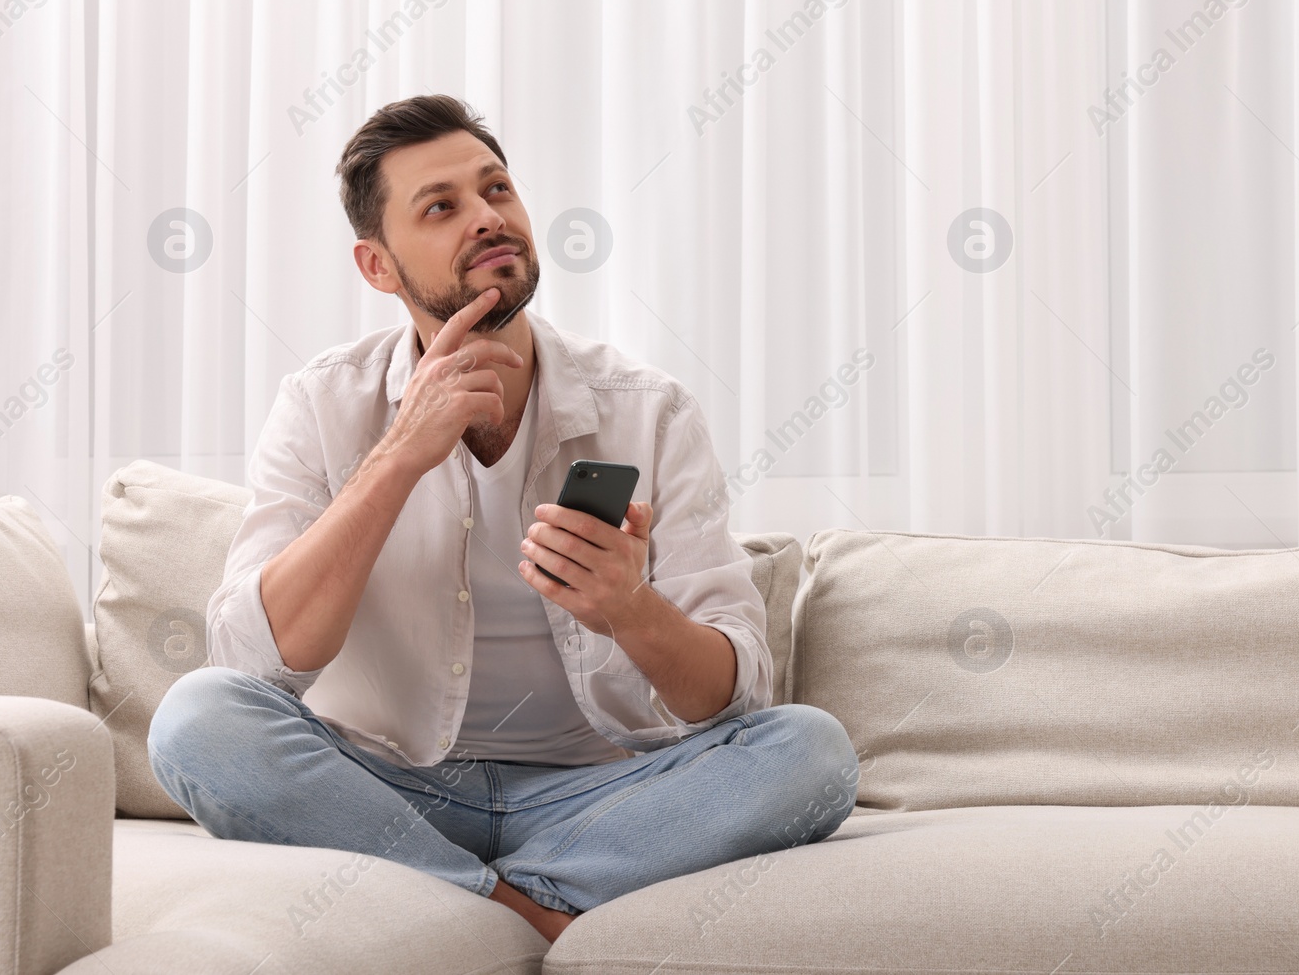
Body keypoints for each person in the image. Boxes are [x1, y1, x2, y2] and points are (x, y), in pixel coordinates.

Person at [146, 94, 859, 944]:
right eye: (442, 207)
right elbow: (257, 663)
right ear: (377, 265)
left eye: (498, 191)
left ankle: (464, 901)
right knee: (197, 719)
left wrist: (629, 608)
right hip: (387, 784)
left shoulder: (651, 410)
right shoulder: (320, 403)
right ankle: (525, 915)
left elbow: (734, 699)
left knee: (812, 752)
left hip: (601, 794)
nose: (489, 219)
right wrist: (399, 455)